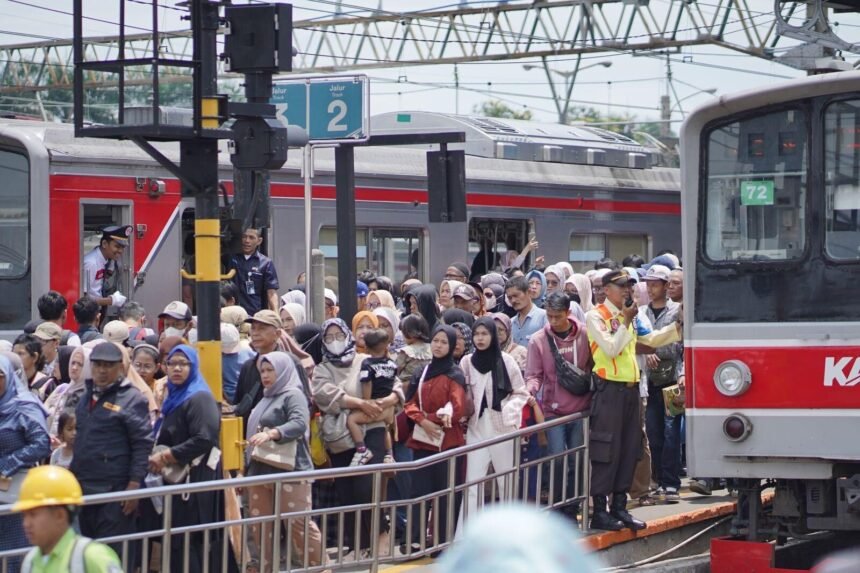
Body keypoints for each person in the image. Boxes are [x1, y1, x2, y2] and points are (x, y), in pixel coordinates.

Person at [586, 269, 681, 531]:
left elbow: (647, 341)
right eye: (621, 286)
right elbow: (611, 348)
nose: (627, 291)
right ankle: (600, 510)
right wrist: (627, 321)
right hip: (609, 392)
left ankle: (619, 506)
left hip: (631, 390)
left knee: (630, 449)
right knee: (607, 450)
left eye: (629, 286)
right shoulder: (596, 316)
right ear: (607, 290)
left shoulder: (626, 316)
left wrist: (676, 328)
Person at [311, 318, 403, 554]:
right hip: (340, 438)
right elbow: (324, 394)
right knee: (348, 493)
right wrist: (360, 403)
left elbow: (395, 383)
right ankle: (358, 545)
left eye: (338, 335)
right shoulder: (322, 369)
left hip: (372, 430)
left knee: (368, 488)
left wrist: (388, 400)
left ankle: (380, 536)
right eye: (329, 337)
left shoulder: (366, 359)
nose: (335, 341)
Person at [71, 341, 152, 563]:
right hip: (84, 487)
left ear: (120, 368)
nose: (102, 370)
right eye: (97, 365)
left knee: (111, 555)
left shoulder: (132, 397)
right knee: (86, 552)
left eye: (108, 365)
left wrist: (134, 485)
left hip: (115, 491)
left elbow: (142, 443)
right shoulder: (87, 394)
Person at [146, 345, 224, 572]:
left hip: (195, 479)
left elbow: (205, 437)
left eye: (183, 363)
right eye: (172, 364)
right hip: (178, 481)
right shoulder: (174, 396)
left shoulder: (199, 397)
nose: (177, 369)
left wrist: (169, 455)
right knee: (179, 540)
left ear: (193, 366)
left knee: (192, 540)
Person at [245, 352, 325, 572]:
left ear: (284, 370)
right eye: (263, 371)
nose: (266, 375)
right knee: (261, 526)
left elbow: (299, 423)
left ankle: (319, 568)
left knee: (299, 523)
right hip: (260, 470)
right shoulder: (265, 397)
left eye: (271, 370)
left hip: (292, 469)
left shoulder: (293, 395)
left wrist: (272, 433)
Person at [525, 292, 592, 518]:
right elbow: (534, 375)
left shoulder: (585, 334)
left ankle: (573, 505)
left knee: (577, 459)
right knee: (556, 458)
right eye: (549, 317)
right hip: (553, 411)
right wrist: (530, 390)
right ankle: (557, 505)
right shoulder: (538, 340)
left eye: (557, 317)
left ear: (568, 313)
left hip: (581, 409)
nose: (552, 322)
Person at [458, 317, 529, 526]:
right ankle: (466, 535)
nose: (480, 339)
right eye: (477, 334)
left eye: (485, 334)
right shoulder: (467, 362)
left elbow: (520, 392)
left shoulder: (506, 360)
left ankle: (509, 531)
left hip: (503, 426)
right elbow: (463, 393)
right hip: (476, 426)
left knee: (506, 481)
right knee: (473, 483)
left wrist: (509, 411)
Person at [403, 324, 467, 548]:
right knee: (418, 492)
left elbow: (457, 407)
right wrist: (423, 420)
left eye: (444, 342)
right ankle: (415, 541)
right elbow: (409, 403)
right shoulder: (422, 371)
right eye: (436, 341)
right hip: (422, 439)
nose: (438, 346)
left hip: (448, 442)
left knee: (445, 494)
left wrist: (433, 419)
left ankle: (443, 542)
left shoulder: (455, 374)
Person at [12, 466, 123, 573]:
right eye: (24, 516)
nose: (26, 523)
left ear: (60, 515)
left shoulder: (92, 557)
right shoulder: (30, 562)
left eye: (33, 514)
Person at [0, 354, 51, 572]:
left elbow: (42, 444)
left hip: (15, 492)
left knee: (14, 555)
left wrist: (7, 464)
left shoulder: (24, 406)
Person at [640, 265, 683, 502]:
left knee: (671, 432)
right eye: (648, 283)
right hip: (649, 380)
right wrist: (646, 353)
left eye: (655, 283)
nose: (650, 288)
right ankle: (657, 480)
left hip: (673, 378)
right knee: (654, 433)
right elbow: (639, 341)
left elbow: (683, 344)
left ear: (666, 286)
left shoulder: (677, 310)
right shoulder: (640, 312)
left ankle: (671, 482)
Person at [348, 329, 397, 465]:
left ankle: (362, 450)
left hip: (374, 405)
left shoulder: (367, 364)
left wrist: (367, 402)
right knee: (386, 427)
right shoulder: (392, 364)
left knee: (351, 420)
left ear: (367, 348)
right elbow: (393, 382)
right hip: (388, 406)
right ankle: (389, 455)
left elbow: (367, 383)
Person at [82, 225, 131, 324]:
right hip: (88, 314)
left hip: (98, 312)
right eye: (117, 246)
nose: (120, 251)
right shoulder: (91, 263)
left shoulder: (106, 259)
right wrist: (111, 300)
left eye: (122, 247)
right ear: (104, 243)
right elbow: (84, 300)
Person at [228, 227, 280, 315]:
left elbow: (271, 292)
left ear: (259, 241)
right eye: (244, 237)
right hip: (232, 312)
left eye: (251, 237)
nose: (247, 241)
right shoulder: (231, 258)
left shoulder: (266, 263)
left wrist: (276, 313)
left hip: (254, 314)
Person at [506, 276, 547, 347]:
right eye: (510, 298)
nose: (513, 300)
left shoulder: (544, 317)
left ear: (528, 292)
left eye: (516, 295)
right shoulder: (510, 323)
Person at [13, 334, 50, 401]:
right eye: (14, 354)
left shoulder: (47, 384)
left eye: (20, 354)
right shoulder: (11, 382)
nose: (16, 358)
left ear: (35, 357)